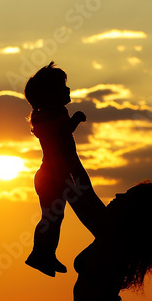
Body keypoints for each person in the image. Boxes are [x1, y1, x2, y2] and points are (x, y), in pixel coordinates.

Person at [23, 62, 92, 277]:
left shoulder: (57, 114)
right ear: (49, 94)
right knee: (51, 217)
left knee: (55, 217)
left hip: (57, 177)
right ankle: (39, 254)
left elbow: (63, 131)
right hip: (50, 178)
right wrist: (68, 120)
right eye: (62, 87)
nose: (68, 90)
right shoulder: (44, 117)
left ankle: (46, 254)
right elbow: (53, 132)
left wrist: (74, 121)